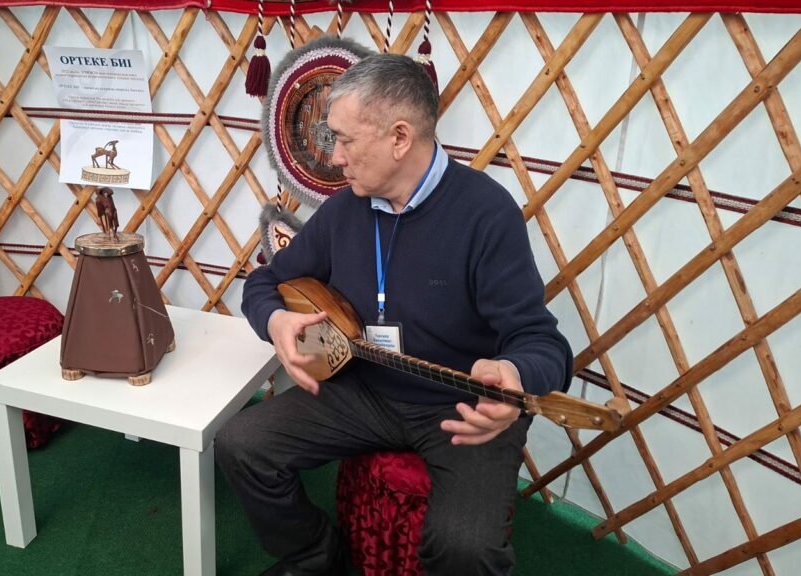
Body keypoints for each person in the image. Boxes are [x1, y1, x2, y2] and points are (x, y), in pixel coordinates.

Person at [215, 52, 573, 576]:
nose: (334, 157)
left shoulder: (486, 214)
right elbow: (264, 282)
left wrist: (512, 374)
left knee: (466, 547)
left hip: (458, 406)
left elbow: (543, 343)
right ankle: (315, 555)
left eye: (344, 139)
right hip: (362, 392)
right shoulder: (344, 210)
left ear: (399, 138)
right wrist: (276, 321)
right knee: (242, 444)